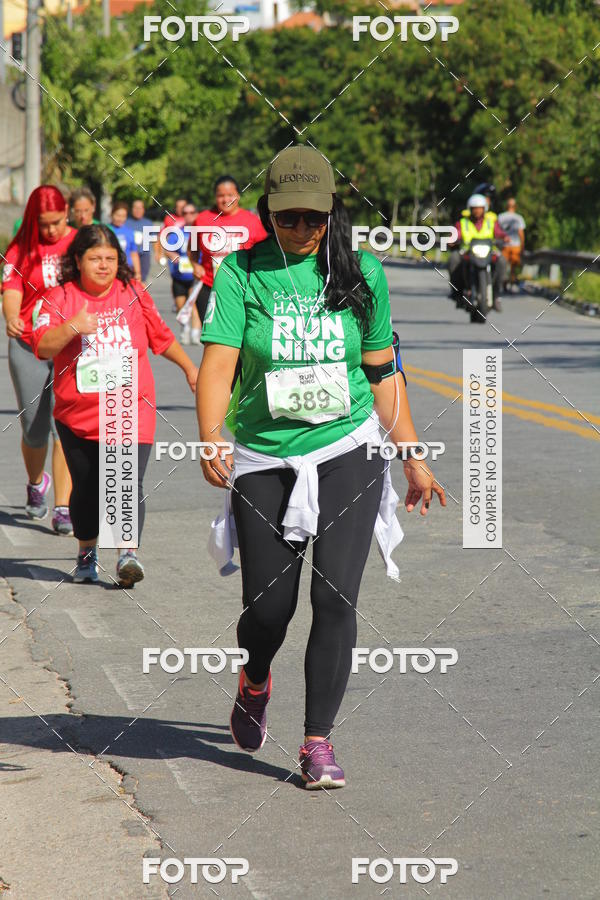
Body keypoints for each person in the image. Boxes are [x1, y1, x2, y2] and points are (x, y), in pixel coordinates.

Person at [196, 146, 445, 790]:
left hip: (348, 448)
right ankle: (254, 682)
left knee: (335, 595)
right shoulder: (241, 274)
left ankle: (316, 743)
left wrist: (412, 456)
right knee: (269, 608)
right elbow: (219, 364)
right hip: (264, 454)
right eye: (288, 219)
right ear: (268, 214)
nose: (302, 231)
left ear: (333, 211)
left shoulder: (361, 272)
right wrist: (210, 436)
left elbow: (382, 373)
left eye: (313, 218)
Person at [32, 225, 198, 586]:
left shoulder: (133, 292)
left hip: (129, 408)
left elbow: (161, 337)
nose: (103, 265)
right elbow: (43, 346)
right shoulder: (60, 297)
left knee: (125, 481)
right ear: (78, 260)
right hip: (76, 415)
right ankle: (87, 555)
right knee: (88, 489)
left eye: (110, 258)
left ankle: (127, 556)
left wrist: (189, 368)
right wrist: (73, 326)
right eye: (95, 258)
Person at [1, 185, 74, 534]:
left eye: (57, 222)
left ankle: (63, 506)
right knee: (34, 428)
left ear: (67, 213)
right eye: (44, 224)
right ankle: (35, 483)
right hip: (29, 345)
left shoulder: (79, 242)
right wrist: (12, 317)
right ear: (34, 220)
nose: (51, 231)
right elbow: (11, 290)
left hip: (71, 346)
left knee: (65, 427)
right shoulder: (20, 248)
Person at [189, 176, 267, 326]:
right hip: (209, 287)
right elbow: (192, 248)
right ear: (215, 197)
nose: (226, 199)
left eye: (230, 195)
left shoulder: (252, 221)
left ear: (238, 195)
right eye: (221, 195)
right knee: (211, 336)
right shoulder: (202, 219)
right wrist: (195, 264)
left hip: (242, 290)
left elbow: (265, 253)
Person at [448, 193, 509, 312]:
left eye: (480, 208)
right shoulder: (463, 222)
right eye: (474, 208)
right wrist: (452, 239)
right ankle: (457, 292)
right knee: (453, 259)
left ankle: (496, 295)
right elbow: (457, 233)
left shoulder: (491, 221)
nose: (477, 211)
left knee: (502, 261)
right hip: (468, 252)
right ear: (470, 209)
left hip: (488, 252)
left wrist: (504, 237)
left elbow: (499, 232)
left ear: (484, 209)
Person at [163, 202, 202, 345]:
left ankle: (195, 333)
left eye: (192, 213)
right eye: (185, 213)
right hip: (179, 275)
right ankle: (185, 328)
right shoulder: (177, 232)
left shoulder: (201, 231)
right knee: (181, 306)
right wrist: (173, 256)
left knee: (194, 305)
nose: (189, 216)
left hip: (195, 275)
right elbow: (167, 249)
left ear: (196, 214)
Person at [498, 198, 526, 292]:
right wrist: (522, 246)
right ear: (515, 207)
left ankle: (505, 283)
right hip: (515, 245)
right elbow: (521, 233)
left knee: (503, 266)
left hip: (504, 245)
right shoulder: (518, 218)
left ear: (507, 206)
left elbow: (497, 231)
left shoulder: (501, 217)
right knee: (513, 266)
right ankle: (511, 282)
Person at [109, 201, 141, 280]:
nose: (120, 219)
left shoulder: (129, 232)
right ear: (112, 214)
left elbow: (134, 253)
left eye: (123, 216)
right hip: (110, 270)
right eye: (118, 215)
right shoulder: (106, 230)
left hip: (126, 270)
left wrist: (137, 273)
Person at [154, 198, 188, 265]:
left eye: (183, 207)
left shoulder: (190, 218)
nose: (180, 209)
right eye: (178, 207)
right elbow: (160, 237)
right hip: (173, 255)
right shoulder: (169, 218)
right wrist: (158, 253)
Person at [127, 199, 153, 283]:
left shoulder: (148, 223)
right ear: (131, 209)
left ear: (143, 210)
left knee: (142, 281)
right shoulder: (126, 222)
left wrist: (159, 254)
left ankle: (141, 296)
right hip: (129, 256)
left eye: (140, 208)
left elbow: (155, 239)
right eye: (135, 208)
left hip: (144, 255)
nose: (137, 210)